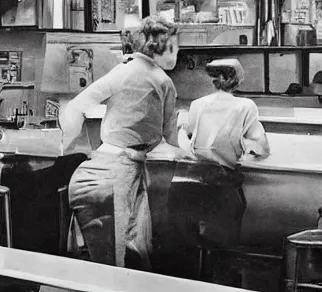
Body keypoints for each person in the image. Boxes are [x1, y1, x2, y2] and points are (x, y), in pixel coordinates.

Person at [61, 15, 182, 270]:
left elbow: (75, 107)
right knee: (111, 270)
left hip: (91, 174)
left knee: (125, 260)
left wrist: (67, 144)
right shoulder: (163, 82)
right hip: (115, 181)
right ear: (163, 46)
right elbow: (170, 138)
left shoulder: (122, 71)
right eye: (176, 46)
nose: (178, 52)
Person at [167, 59, 269, 277]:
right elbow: (262, 147)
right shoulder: (246, 106)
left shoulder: (197, 104)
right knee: (223, 254)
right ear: (237, 81)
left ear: (213, 80)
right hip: (218, 189)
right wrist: (244, 145)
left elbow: (190, 137)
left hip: (183, 186)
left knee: (188, 256)